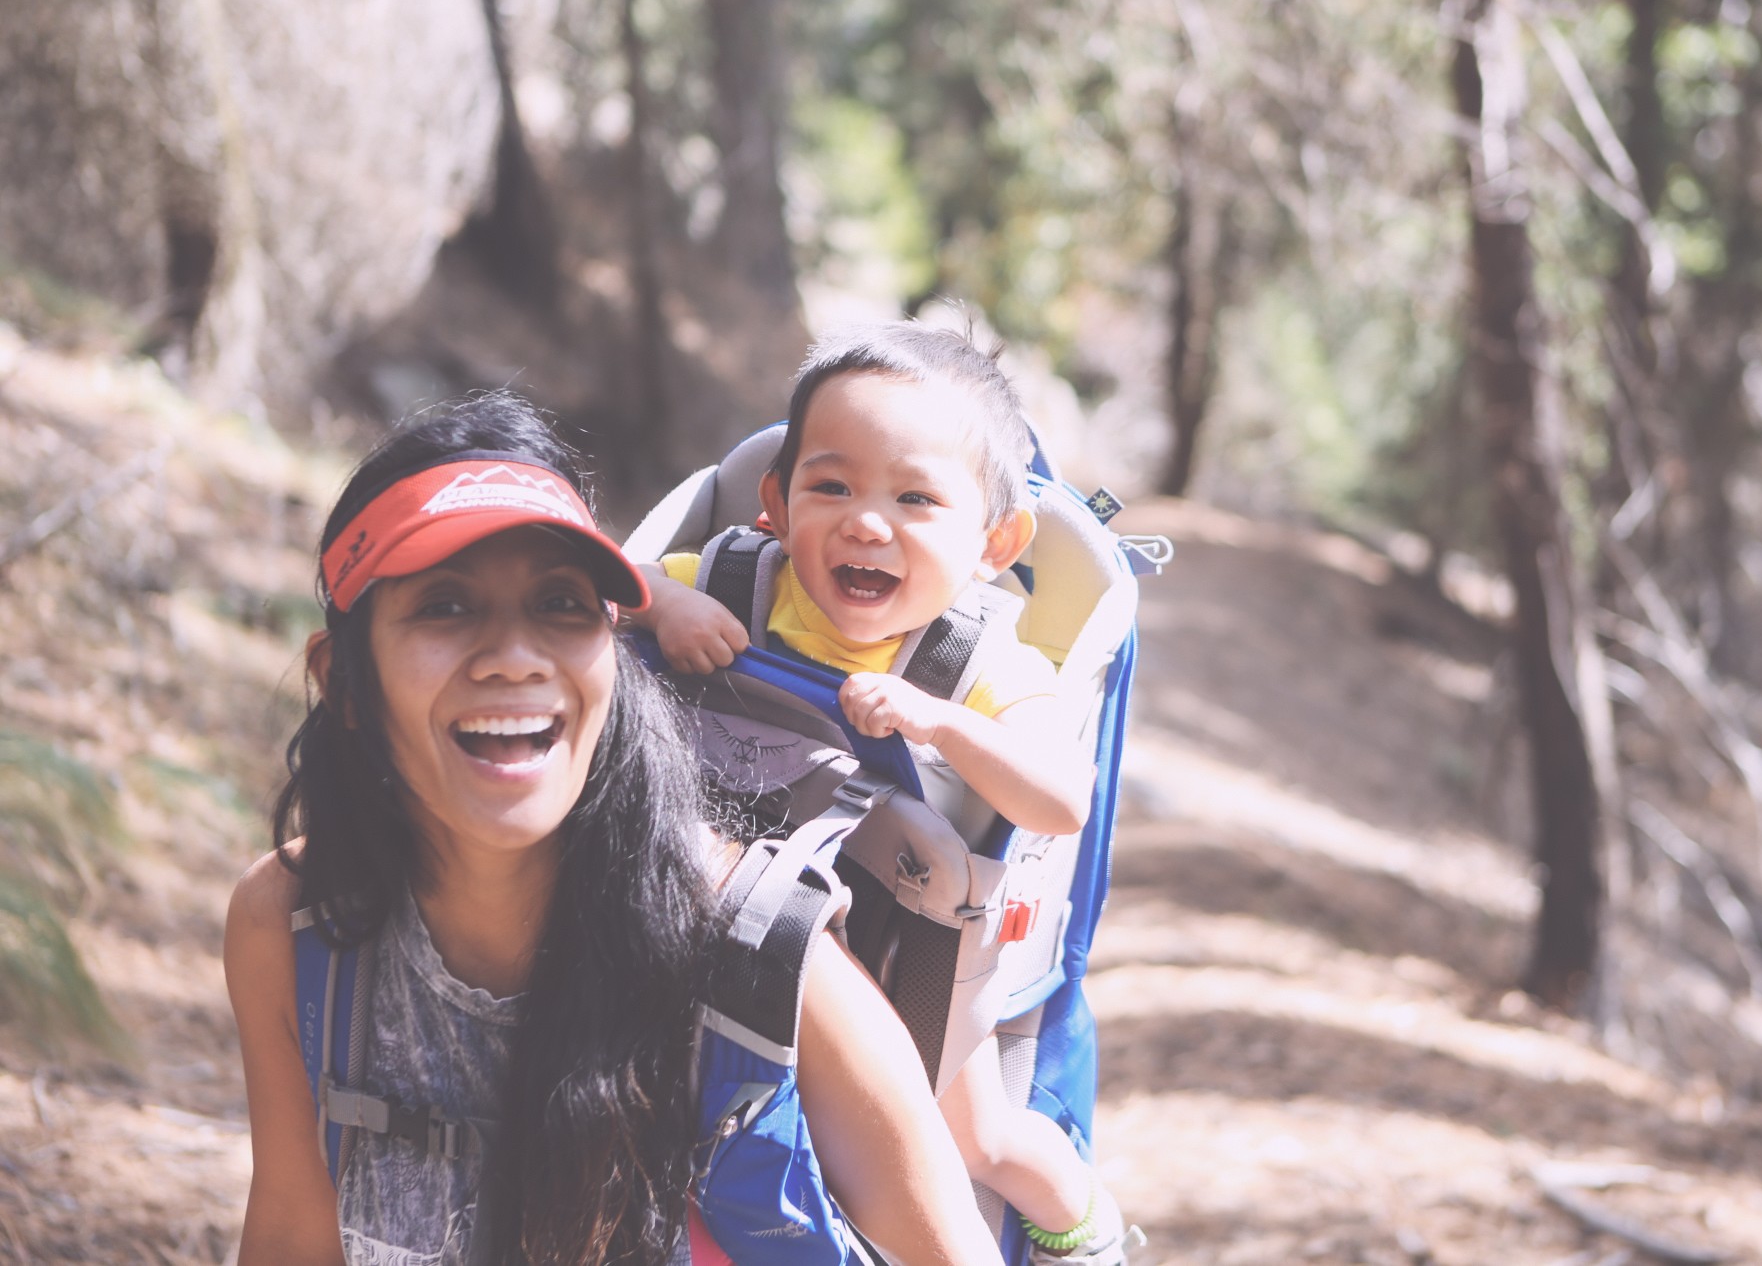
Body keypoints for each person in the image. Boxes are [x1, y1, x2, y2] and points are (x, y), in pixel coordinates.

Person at [223, 392, 1002, 1266]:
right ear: (348, 682)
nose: (514, 656)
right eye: (445, 607)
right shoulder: (297, 926)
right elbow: (294, 1232)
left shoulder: (758, 954)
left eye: (560, 604)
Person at [636, 326, 1133, 1266]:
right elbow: (596, 598)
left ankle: (1083, 1227)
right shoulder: (739, 579)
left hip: (922, 950)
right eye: (832, 487)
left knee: (971, 1140)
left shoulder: (981, 660)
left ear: (995, 541)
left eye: (915, 498)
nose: (869, 523)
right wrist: (666, 605)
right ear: (775, 504)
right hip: (736, 904)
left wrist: (938, 724)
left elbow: (1064, 799)